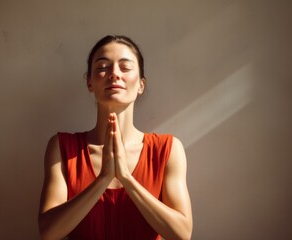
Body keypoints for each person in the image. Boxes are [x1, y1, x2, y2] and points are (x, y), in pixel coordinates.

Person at [38, 35, 193, 240]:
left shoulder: (168, 149)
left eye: (125, 67)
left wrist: (126, 178)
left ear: (141, 85)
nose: (114, 74)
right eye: (102, 67)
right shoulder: (62, 147)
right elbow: (48, 233)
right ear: (90, 83)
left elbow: (182, 234)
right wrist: (103, 179)